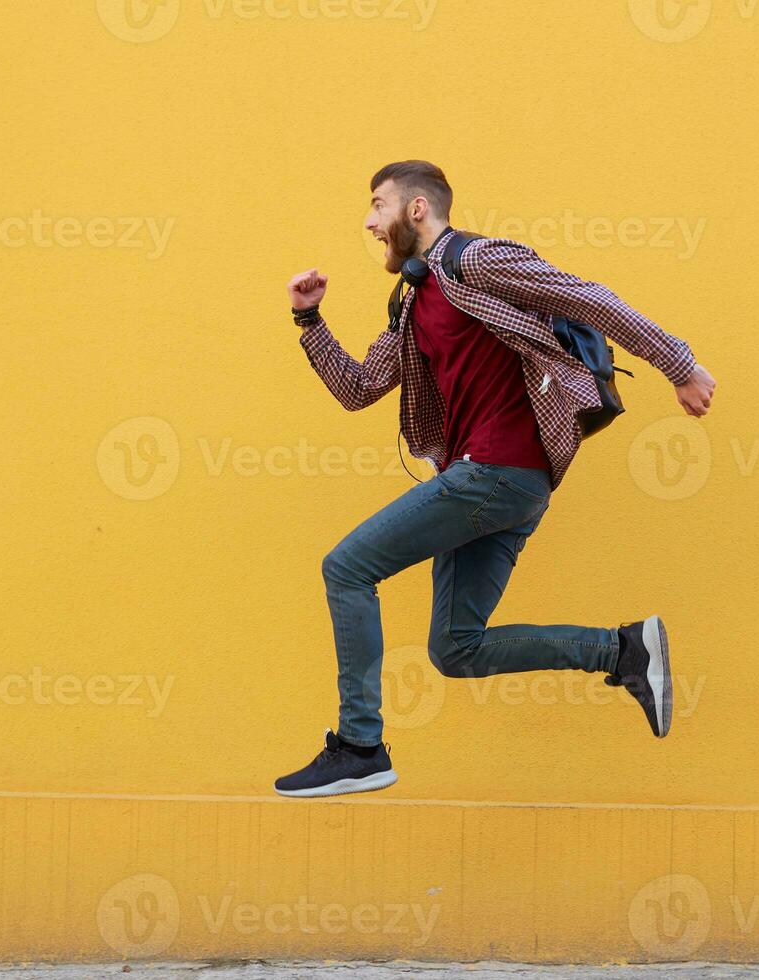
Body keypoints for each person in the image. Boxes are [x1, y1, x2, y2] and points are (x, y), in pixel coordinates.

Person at [276, 161, 716, 797]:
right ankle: (621, 652)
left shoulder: (474, 261)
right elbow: (359, 387)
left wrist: (679, 365)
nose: (370, 222)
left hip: (497, 472)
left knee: (346, 568)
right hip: (501, 486)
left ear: (418, 209)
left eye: (378, 206)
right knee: (456, 649)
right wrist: (309, 322)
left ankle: (359, 745)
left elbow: (588, 298)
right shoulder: (413, 299)